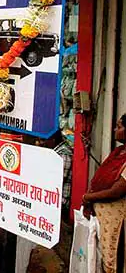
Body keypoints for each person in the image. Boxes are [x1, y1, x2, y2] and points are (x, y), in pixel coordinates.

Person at [82, 113, 126, 273]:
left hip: (117, 222)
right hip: (102, 218)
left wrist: (88, 197)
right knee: (101, 258)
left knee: (113, 261)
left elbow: (117, 191)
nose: (115, 129)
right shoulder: (119, 152)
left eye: (119, 126)